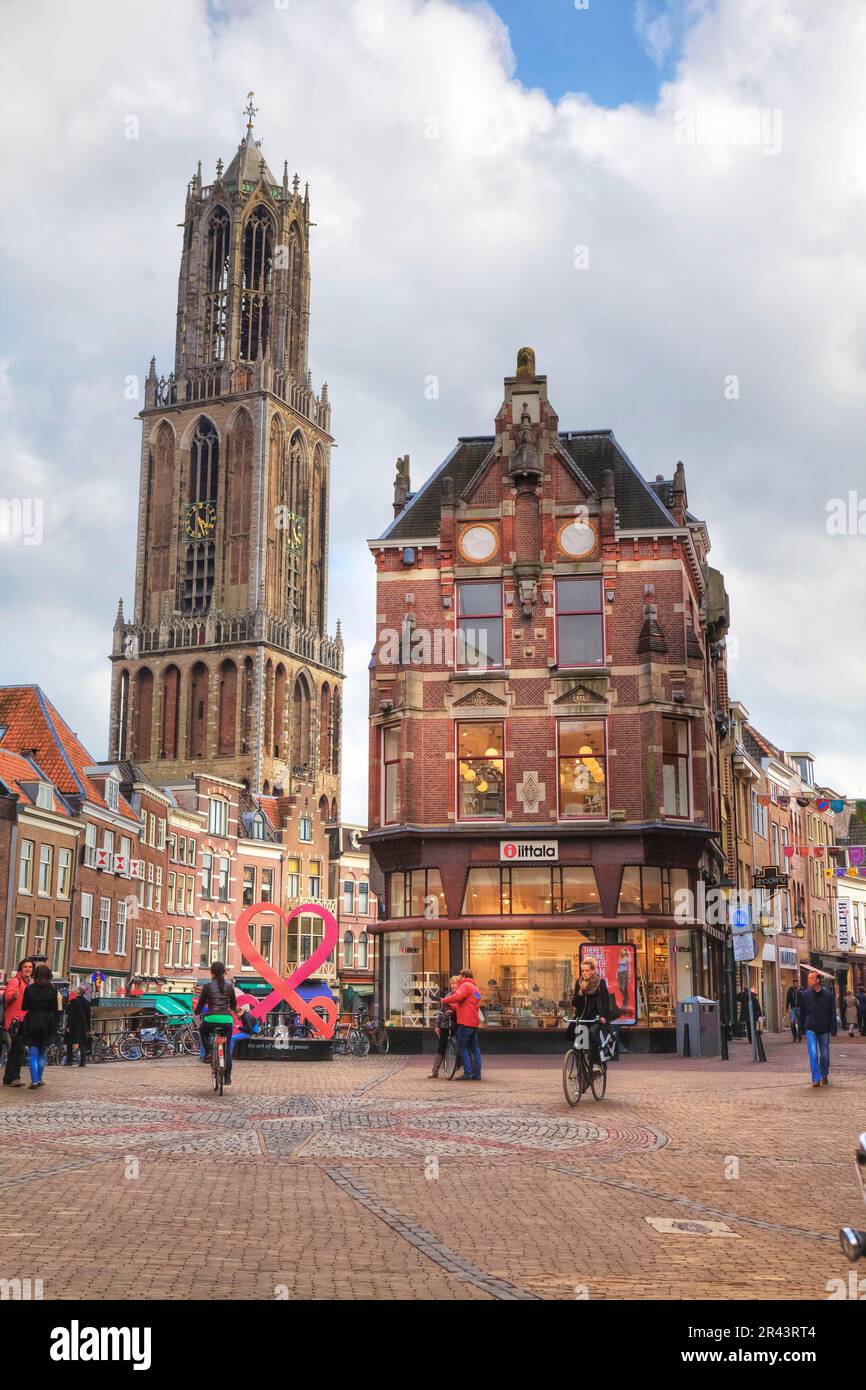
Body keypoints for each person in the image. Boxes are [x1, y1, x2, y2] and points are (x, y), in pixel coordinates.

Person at [194, 961, 238, 1084]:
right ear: (224, 972)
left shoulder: (207, 986)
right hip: (227, 1020)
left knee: (202, 1031)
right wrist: (233, 1010)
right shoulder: (230, 987)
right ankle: (228, 1077)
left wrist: (197, 1012)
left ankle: (208, 1052)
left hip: (211, 1019)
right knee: (227, 1048)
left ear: (211, 972)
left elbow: (200, 1004)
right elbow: (234, 1005)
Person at [21, 964, 59, 1089]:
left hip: (32, 1020)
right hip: (47, 1021)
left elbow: (25, 1006)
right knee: (43, 1053)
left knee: (32, 1053)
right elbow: (55, 1008)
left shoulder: (29, 989)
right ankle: (40, 1078)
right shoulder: (53, 989)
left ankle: (34, 1081)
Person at [798, 970, 837, 1088]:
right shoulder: (805, 995)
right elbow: (802, 1013)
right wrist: (801, 1029)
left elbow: (832, 1012)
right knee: (813, 1053)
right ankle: (816, 1078)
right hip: (810, 1027)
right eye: (808, 978)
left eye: (811, 978)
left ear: (818, 980)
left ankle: (824, 1073)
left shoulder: (828, 995)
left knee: (824, 1055)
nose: (809, 980)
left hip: (824, 1028)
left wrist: (833, 1028)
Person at [442, 970, 482, 1081]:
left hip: (465, 1022)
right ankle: (477, 1074)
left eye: (461, 976)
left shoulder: (465, 986)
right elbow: (467, 1004)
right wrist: (454, 1007)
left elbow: (457, 997)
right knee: (475, 1049)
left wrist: (444, 1000)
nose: (459, 978)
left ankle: (468, 1073)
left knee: (462, 1047)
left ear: (464, 976)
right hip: (474, 1023)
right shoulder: (475, 988)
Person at [572, 958, 612, 1066]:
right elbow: (574, 1003)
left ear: (593, 970)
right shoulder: (579, 983)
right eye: (583, 971)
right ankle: (581, 1071)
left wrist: (603, 1016)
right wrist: (580, 991)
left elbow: (606, 1001)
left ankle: (596, 1062)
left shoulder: (600, 983)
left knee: (592, 1033)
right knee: (578, 1039)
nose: (584, 973)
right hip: (583, 1017)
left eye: (587, 970)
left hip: (596, 1017)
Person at [3, 959, 34, 1087]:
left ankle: (9, 1078)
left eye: (30, 967)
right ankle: (14, 1077)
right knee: (18, 1050)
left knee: (15, 1050)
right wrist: (13, 996)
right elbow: (8, 996)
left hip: (22, 1020)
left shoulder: (28, 983)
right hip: (15, 1021)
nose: (28, 969)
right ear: (21, 968)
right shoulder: (16, 981)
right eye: (25, 967)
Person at [429, 977, 459, 1079]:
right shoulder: (447, 995)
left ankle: (459, 1065)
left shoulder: (460, 996)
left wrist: (453, 1012)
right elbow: (441, 1012)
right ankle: (435, 1071)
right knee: (441, 1047)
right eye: (451, 984)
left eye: (455, 983)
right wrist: (437, 1025)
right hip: (445, 1024)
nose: (453, 985)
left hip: (456, 1024)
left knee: (459, 1045)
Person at [65, 986, 91, 1068]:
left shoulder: (73, 1001)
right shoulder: (86, 1002)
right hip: (82, 1024)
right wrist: (88, 1027)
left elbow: (71, 1014)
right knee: (82, 1042)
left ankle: (69, 1061)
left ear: (79, 992)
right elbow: (88, 1016)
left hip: (74, 1024)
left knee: (69, 1041)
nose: (74, 991)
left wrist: (68, 1025)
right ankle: (83, 1062)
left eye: (75, 990)